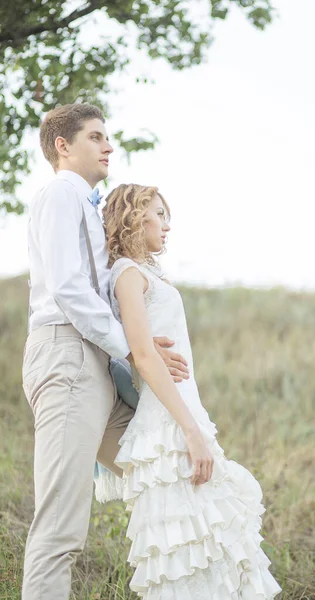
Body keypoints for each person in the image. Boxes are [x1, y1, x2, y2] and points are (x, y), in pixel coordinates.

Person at [22, 103, 189, 600]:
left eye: (107, 137)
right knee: (61, 528)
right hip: (67, 357)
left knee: (170, 471)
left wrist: (136, 344)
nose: (108, 146)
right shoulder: (59, 195)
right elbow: (69, 289)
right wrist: (134, 350)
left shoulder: (88, 208)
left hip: (96, 366)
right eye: (96, 137)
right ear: (63, 146)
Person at [98, 183, 282, 598]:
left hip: (183, 412)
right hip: (168, 423)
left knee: (211, 542)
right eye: (159, 214)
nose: (166, 225)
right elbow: (143, 357)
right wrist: (191, 432)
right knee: (185, 549)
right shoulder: (127, 274)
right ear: (133, 216)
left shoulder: (144, 273)